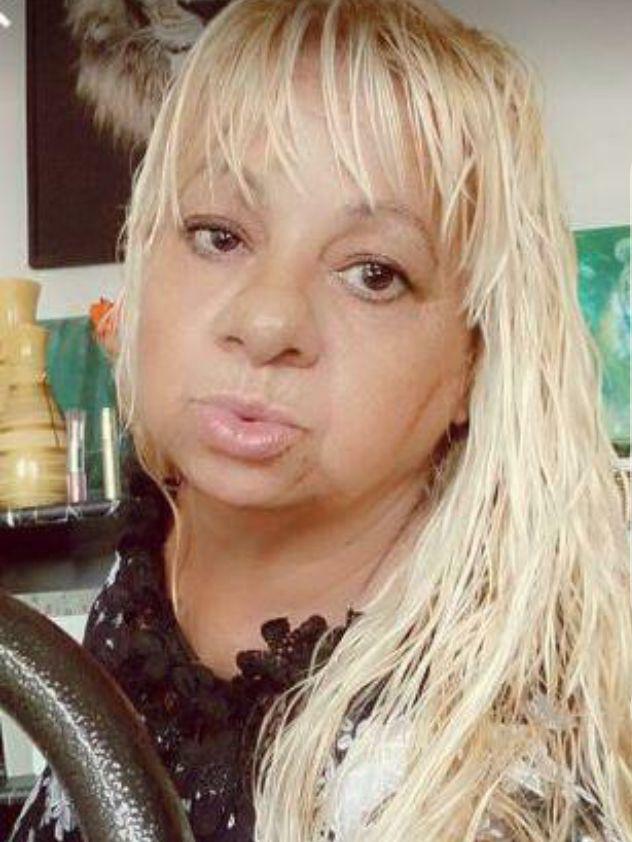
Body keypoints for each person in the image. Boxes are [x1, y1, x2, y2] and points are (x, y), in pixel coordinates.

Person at [9, 0, 631, 840]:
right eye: (219, 234)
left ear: (476, 359)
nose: (267, 323)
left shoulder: (498, 780)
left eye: (373, 273)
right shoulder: (155, 554)